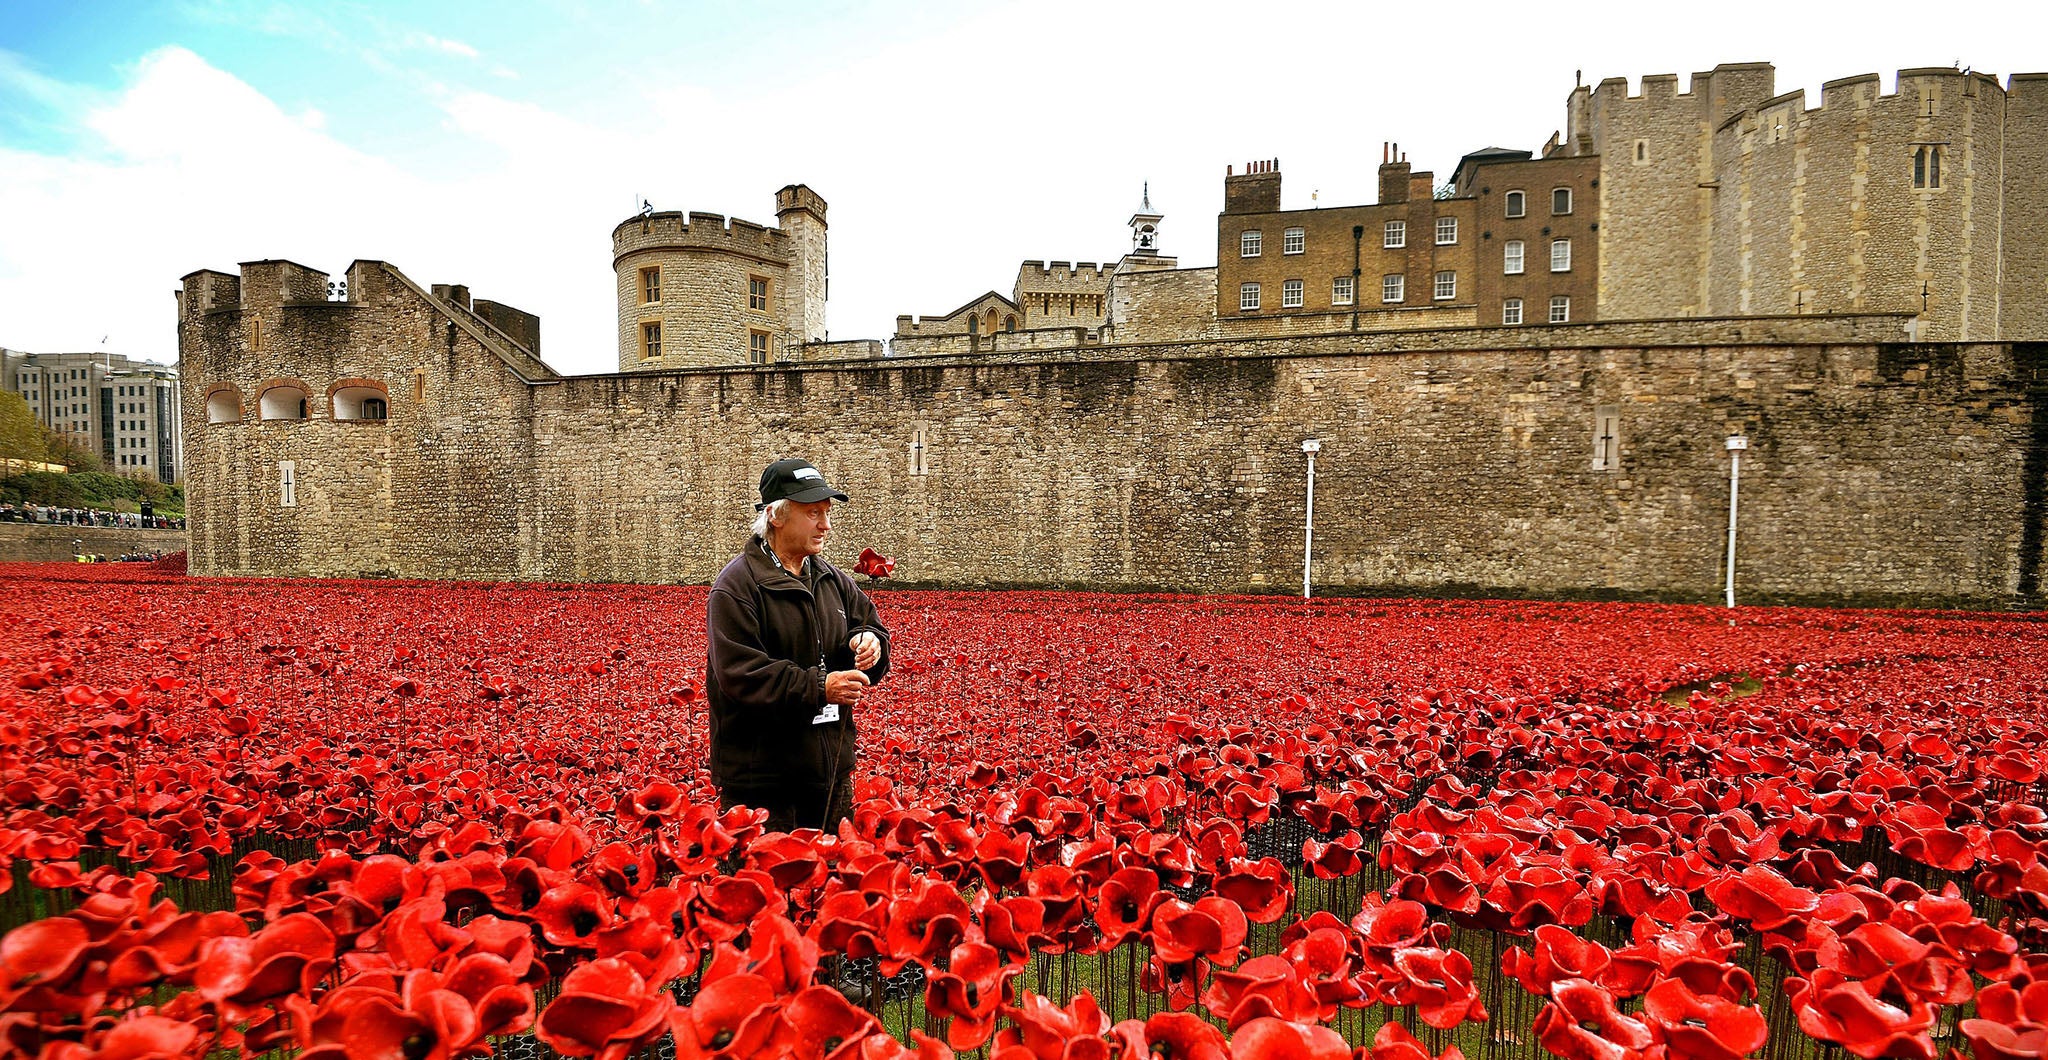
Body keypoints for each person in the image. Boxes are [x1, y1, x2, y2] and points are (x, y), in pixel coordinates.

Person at [705, 458, 890, 833]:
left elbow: (871, 625)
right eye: (813, 513)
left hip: (829, 773)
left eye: (826, 512)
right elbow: (741, 674)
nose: (826, 525)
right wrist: (820, 687)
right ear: (776, 516)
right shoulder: (737, 587)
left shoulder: (831, 579)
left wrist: (870, 644)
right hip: (764, 783)